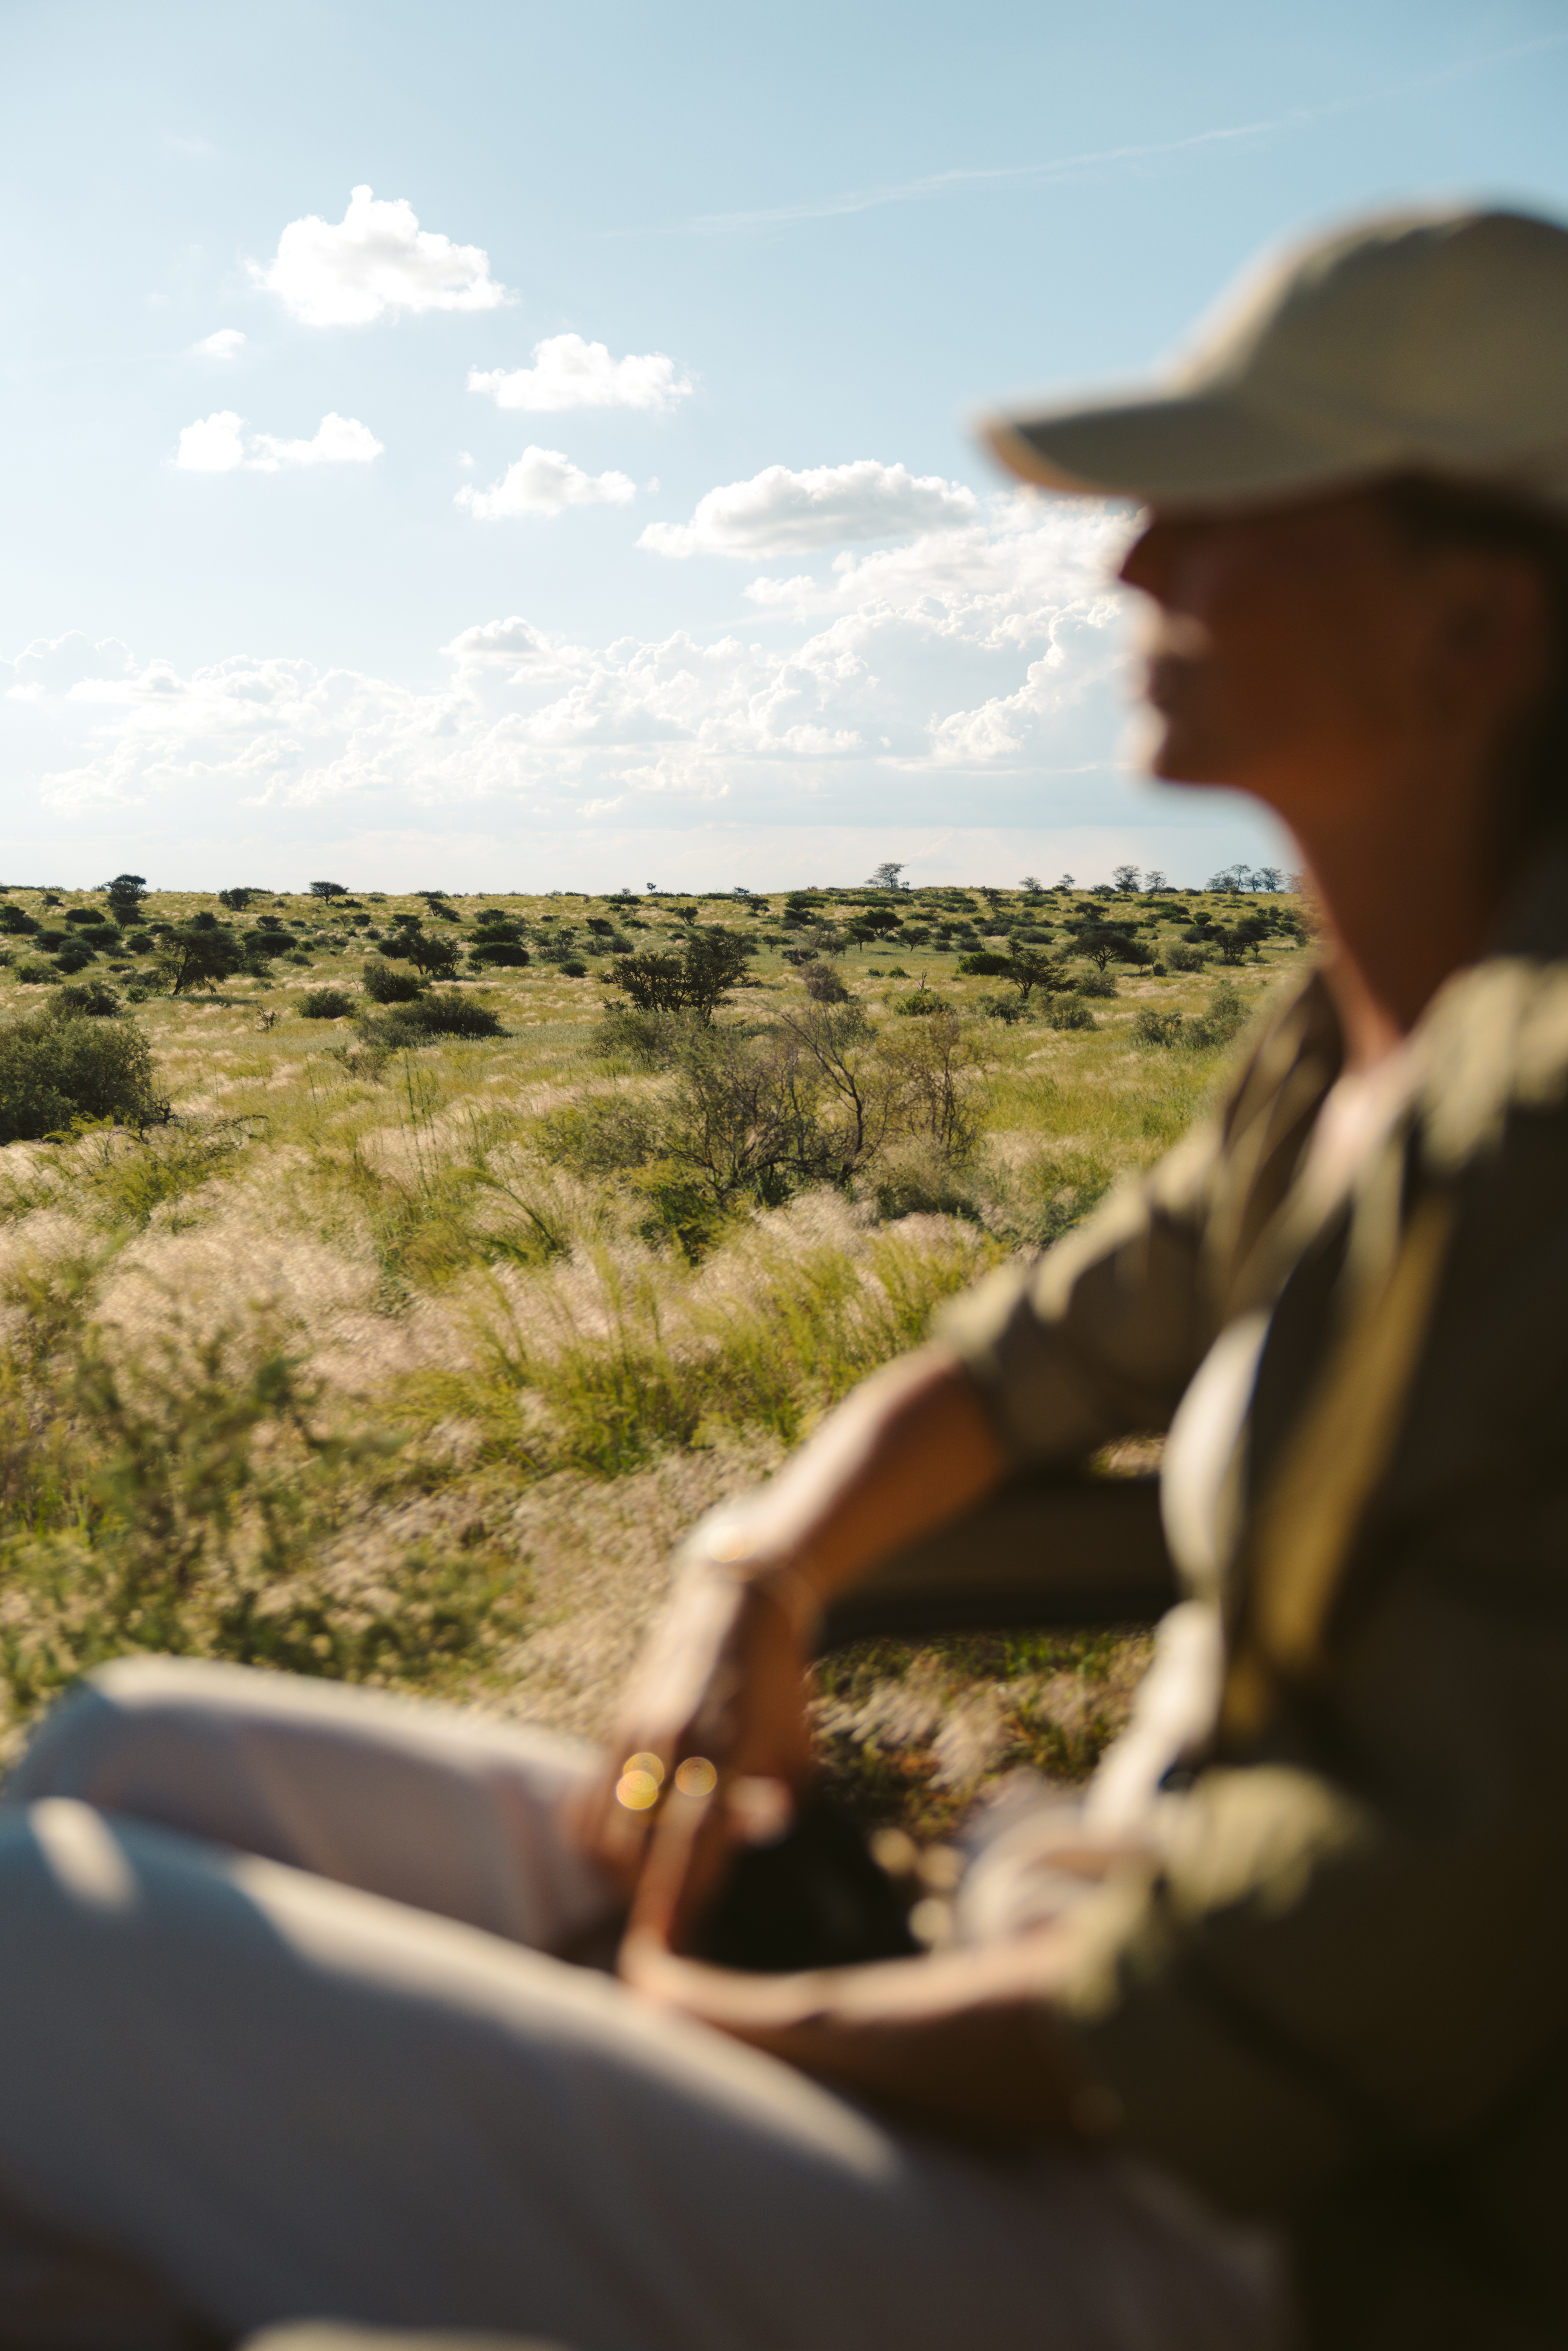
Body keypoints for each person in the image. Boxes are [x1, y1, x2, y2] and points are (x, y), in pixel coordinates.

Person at [4, 201, 1568, 2351]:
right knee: (130, 1757)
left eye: (1225, 521)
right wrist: (760, 1566)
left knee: (29, 1944)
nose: (1128, 571)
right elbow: (1036, 1352)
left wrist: (742, 2018)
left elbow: (1326, 1999)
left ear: (1473, 624)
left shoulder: (1536, 1129)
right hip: (1049, 1937)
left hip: (1227, 2220)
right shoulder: (1349, 1036)